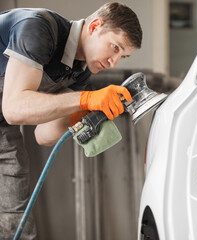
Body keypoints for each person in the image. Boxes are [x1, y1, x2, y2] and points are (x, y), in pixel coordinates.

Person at [0, 2, 142, 239]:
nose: (114, 62)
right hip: (7, 114)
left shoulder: (79, 69)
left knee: (17, 221)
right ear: (95, 26)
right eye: (115, 47)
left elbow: (43, 135)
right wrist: (87, 99)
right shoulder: (39, 28)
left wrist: (84, 116)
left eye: (122, 56)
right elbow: (14, 109)